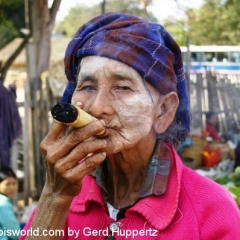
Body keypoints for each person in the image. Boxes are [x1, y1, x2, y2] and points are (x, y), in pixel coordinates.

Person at [21, 13, 240, 239]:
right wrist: (54, 198)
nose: (97, 107)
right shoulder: (67, 191)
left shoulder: (212, 211)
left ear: (163, 111)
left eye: (122, 87)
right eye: (87, 86)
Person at [0, 167, 20, 240]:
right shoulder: (3, 203)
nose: (11, 187)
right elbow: (15, 233)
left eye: (14, 183)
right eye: (7, 184)